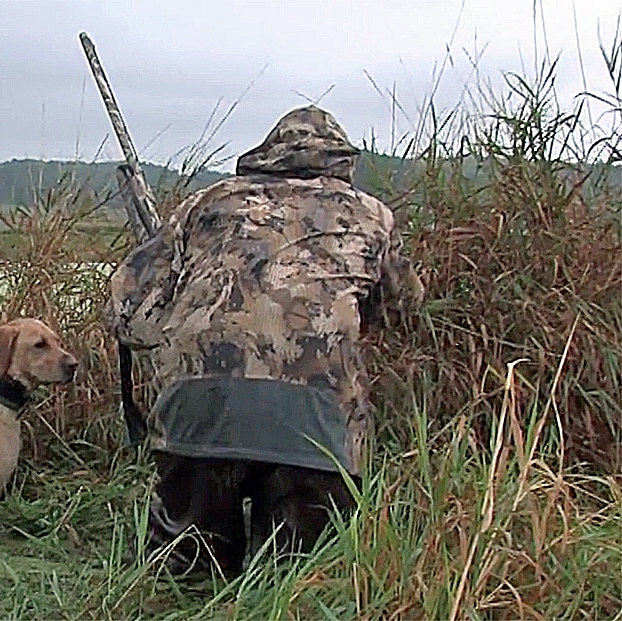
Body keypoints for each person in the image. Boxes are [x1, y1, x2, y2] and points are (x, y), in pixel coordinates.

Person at [105, 105, 424, 577]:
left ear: (268, 153)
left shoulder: (206, 203)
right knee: (301, 582)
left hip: (198, 413)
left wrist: (188, 338)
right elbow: (404, 311)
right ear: (341, 161)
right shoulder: (372, 215)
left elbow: (124, 313)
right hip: (316, 424)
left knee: (188, 578)